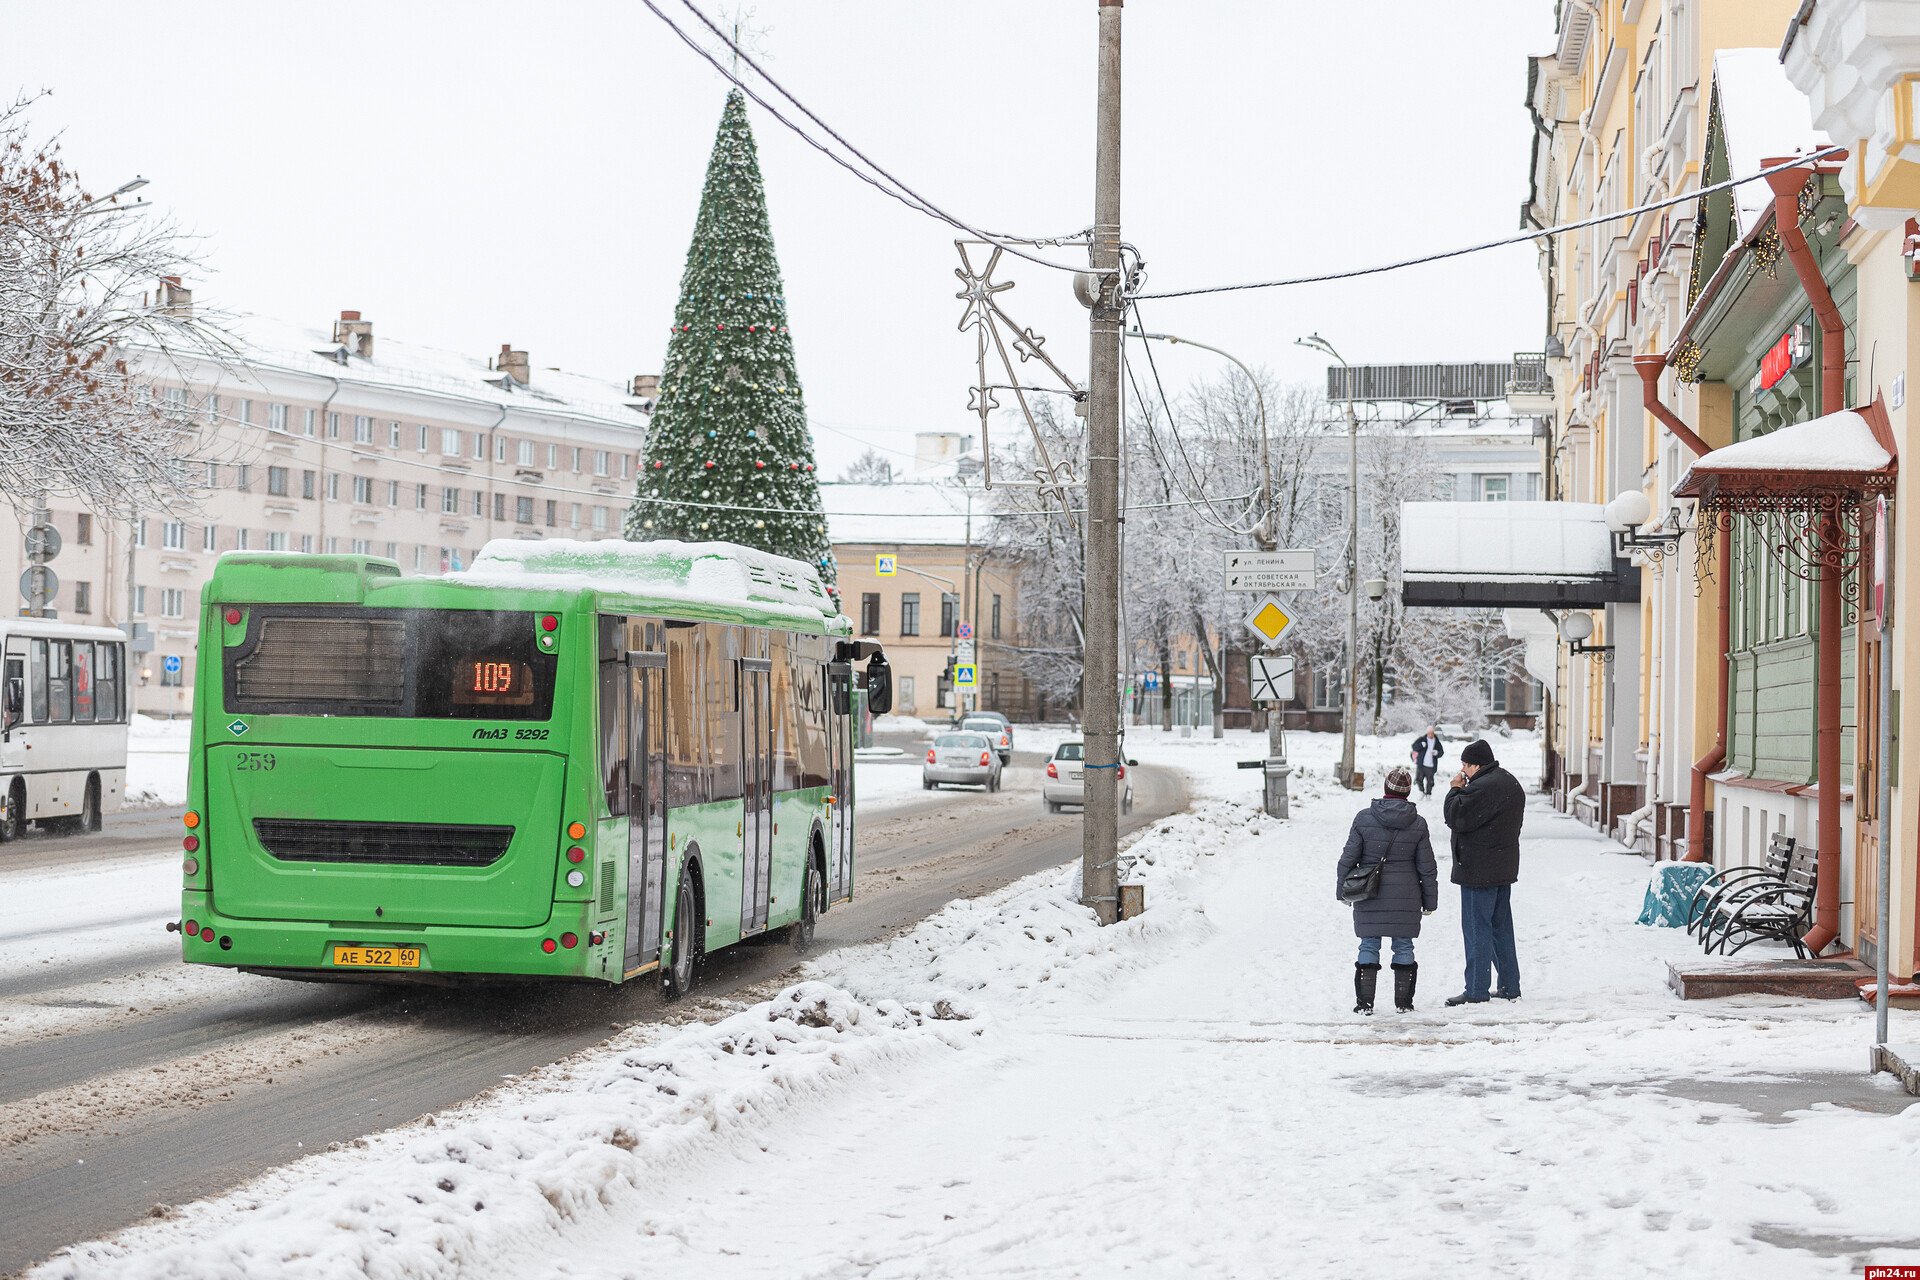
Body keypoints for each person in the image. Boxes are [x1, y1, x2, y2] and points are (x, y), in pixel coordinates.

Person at [1335, 765, 1438, 1015]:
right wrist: (1430, 900)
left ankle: (1364, 1004)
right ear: (1408, 792)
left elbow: (1347, 859)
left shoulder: (1364, 818)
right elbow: (1427, 867)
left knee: (1369, 944)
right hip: (1407, 896)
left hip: (1369, 892)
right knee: (1404, 945)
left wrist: (1342, 890)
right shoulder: (1418, 823)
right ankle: (1403, 1003)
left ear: (1385, 789)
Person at [1441, 739, 1526, 1006]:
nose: (1463, 770)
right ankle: (1510, 985)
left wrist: (1455, 790)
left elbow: (1456, 817)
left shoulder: (1481, 788)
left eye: (1466, 765)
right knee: (1501, 928)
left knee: (1477, 929)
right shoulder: (1509, 782)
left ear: (1477, 764)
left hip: (1478, 870)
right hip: (1502, 867)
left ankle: (1477, 989)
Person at [1409, 725, 1446, 797]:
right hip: (1421, 764)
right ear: (1427, 733)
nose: (1430, 734)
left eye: (1432, 733)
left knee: (1430, 781)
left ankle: (1428, 794)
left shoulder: (1437, 741)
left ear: (1433, 733)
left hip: (1431, 765)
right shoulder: (1422, 739)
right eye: (1429, 733)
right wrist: (1421, 745)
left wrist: (1436, 753)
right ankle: (1421, 792)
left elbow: (1441, 752)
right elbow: (1414, 747)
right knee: (1419, 779)